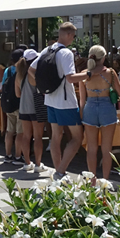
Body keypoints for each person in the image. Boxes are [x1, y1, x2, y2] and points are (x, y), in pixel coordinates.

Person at [31, 22, 90, 180]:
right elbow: (70, 78)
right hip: (66, 101)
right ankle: (61, 171)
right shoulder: (66, 53)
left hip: (50, 100)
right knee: (77, 138)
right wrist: (89, 74)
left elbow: (31, 69)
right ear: (69, 35)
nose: (73, 39)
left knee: (56, 137)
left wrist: (41, 87)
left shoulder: (47, 49)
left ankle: (59, 172)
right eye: (73, 36)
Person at [79, 45, 120, 181]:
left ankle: (92, 180)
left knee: (91, 148)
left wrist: (82, 115)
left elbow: (82, 100)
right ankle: (105, 180)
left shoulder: (84, 74)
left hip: (90, 108)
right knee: (107, 149)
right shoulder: (110, 73)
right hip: (107, 109)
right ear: (103, 57)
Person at [15, 49, 41, 170]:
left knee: (26, 136)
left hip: (23, 108)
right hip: (36, 107)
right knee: (38, 137)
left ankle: (27, 162)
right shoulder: (33, 75)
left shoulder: (19, 75)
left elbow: (18, 94)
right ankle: (38, 164)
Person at [1, 50, 24, 165]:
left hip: (8, 104)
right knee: (20, 132)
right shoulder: (22, 70)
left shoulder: (8, 70)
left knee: (10, 130)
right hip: (19, 103)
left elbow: (3, 86)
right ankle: (18, 156)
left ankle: (8, 154)